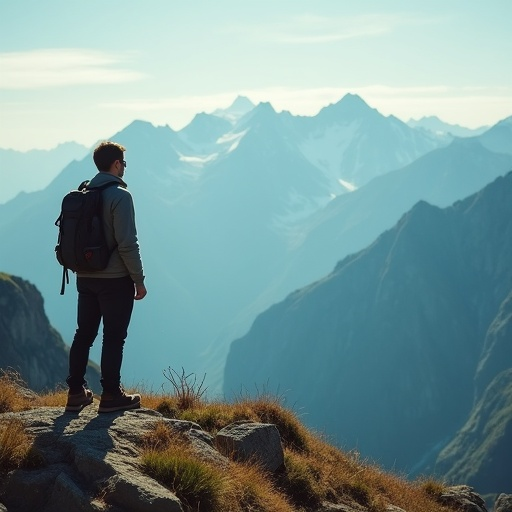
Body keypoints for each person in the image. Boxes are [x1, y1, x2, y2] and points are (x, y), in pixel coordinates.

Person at [65, 141, 147, 413]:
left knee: (83, 334)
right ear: (116, 164)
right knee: (113, 337)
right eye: (123, 163)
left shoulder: (85, 192)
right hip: (115, 281)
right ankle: (111, 394)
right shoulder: (121, 197)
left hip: (85, 277)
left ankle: (76, 392)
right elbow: (127, 243)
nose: (124, 167)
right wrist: (139, 279)